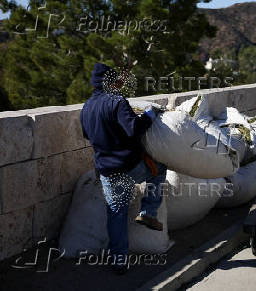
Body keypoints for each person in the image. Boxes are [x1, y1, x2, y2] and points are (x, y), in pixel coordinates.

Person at [80, 63, 167, 274]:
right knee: (160, 168)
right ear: (111, 82)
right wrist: (150, 114)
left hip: (107, 173)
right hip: (130, 167)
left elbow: (86, 135)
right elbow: (134, 128)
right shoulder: (117, 102)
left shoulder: (86, 107)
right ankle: (148, 211)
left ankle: (119, 260)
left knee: (116, 214)